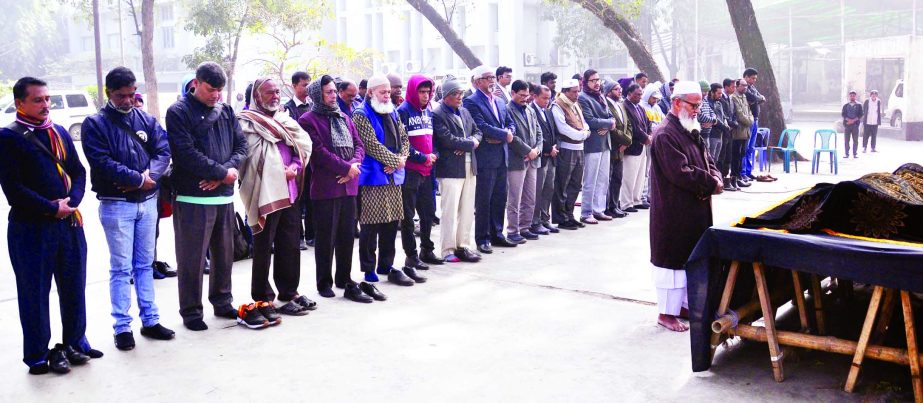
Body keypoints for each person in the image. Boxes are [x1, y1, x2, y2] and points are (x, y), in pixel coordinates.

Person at [0, 76, 102, 375]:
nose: (45, 105)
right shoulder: (9, 138)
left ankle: (75, 342)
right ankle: (37, 354)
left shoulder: (58, 131)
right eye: (38, 100)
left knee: (73, 286)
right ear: (20, 103)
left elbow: (78, 171)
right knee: (34, 293)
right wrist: (50, 208)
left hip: (68, 224)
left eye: (47, 99)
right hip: (31, 230)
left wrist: (72, 201)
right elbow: (13, 188)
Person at [81, 67, 175, 349]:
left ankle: (150, 320)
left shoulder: (146, 119)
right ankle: (122, 327)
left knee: (144, 265)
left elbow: (163, 152)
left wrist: (149, 179)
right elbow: (101, 161)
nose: (128, 100)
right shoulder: (94, 124)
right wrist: (137, 179)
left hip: (148, 203)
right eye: (121, 95)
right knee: (121, 268)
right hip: (116, 205)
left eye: (132, 94)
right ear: (108, 93)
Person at [166, 62, 248, 331]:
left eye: (220, 90)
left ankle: (223, 301)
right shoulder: (178, 112)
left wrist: (227, 172)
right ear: (196, 83)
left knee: (225, 256)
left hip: (224, 196)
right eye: (211, 89)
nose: (216, 96)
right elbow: (184, 153)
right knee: (192, 259)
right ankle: (191, 312)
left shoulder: (226, 111)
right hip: (193, 198)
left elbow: (242, 145)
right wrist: (219, 173)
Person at [237, 77, 316, 327]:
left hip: (290, 190)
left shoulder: (284, 119)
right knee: (263, 248)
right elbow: (249, 157)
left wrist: (293, 166)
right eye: (268, 92)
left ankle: (288, 293)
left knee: (290, 244)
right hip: (266, 193)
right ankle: (262, 299)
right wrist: (278, 171)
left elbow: (302, 145)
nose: (274, 96)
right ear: (257, 96)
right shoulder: (247, 122)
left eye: (276, 92)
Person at [649, 81, 723, 332]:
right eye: (694, 105)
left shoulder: (688, 127)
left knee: (689, 259)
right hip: (674, 210)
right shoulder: (665, 133)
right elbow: (681, 173)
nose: (696, 111)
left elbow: (706, 158)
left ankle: (682, 306)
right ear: (677, 102)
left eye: (699, 105)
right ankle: (666, 314)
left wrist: (716, 177)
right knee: (671, 262)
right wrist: (711, 183)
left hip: (695, 207)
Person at [297, 75, 372, 303]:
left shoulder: (343, 117)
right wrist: (345, 168)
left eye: (333, 91)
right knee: (325, 238)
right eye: (328, 92)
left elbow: (359, 144)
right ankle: (324, 282)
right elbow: (318, 153)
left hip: (349, 186)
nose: (332, 96)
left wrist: (353, 166)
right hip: (326, 188)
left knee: (347, 235)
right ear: (318, 95)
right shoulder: (307, 120)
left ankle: (344, 277)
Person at [353, 74, 419, 289]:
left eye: (388, 92)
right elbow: (370, 144)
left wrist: (401, 160)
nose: (387, 96)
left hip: (393, 175)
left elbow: (405, 138)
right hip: (373, 176)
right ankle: (369, 268)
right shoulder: (361, 114)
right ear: (371, 92)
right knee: (371, 225)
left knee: (392, 224)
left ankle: (386, 265)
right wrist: (395, 161)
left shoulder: (392, 110)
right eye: (383, 92)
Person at [463, 65, 517, 254]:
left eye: (493, 77)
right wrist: (504, 134)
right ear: (478, 82)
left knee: (500, 198)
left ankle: (497, 234)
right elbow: (481, 125)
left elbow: (510, 123)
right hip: (486, 157)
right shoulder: (471, 101)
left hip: (502, 155)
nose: (492, 81)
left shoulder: (500, 101)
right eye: (487, 78)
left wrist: (507, 133)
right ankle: (483, 238)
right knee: (484, 199)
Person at [433, 78, 483, 263]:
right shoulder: (437, 114)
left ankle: (464, 246)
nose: (459, 97)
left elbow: (478, 131)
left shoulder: (464, 111)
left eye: (461, 94)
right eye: (455, 94)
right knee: (450, 211)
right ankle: (447, 249)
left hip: (470, 166)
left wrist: (471, 143)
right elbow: (447, 139)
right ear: (446, 96)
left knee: (468, 209)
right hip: (450, 168)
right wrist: (470, 143)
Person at [397, 74, 443, 269]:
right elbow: (402, 143)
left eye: (428, 92)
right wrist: (422, 157)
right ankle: (411, 255)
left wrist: (434, 154)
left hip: (428, 170)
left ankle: (427, 249)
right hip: (410, 171)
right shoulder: (403, 111)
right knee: (408, 217)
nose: (426, 96)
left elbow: (433, 141)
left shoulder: (429, 112)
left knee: (428, 213)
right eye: (421, 92)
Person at [505, 80, 543, 242]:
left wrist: (536, 150)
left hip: (533, 160)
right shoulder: (507, 110)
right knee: (515, 198)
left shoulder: (530, 110)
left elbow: (539, 133)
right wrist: (528, 151)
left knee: (530, 197)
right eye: (521, 95)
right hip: (517, 160)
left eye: (527, 95)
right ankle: (513, 230)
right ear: (513, 93)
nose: (525, 98)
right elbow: (512, 138)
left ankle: (525, 227)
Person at [551, 78, 591, 230]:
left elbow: (584, 122)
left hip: (579, 148)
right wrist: (582, 135)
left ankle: (569, 214)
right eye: (574, 92)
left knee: (575, 184)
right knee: (563, 184)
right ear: (565, 92)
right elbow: (563, 128)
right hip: (567, 149)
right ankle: (561, 217)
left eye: (578, 91)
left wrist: (585, 131)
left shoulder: (575, 104)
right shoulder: (558, 105)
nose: (577, 94)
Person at [577, 69, 615, 224]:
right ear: (586, 82)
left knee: (603, 179)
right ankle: (586, 212)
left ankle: (598, 210)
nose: (597, 83)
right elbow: (590, 120)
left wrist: (608, 124)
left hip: (605, 142)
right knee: (590, 180)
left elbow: (611, 117)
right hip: (592, 143)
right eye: (593, 80)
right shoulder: (583, 98)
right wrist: (609, 123)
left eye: (598, 79)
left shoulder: (601, 97)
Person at [285, 71, 315, 250]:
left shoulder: (313, 107)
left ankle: (312, 234)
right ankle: (299, 236)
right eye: (304, 85)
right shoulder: (288, 109)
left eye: (309, 85)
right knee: (298, 199)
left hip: (313, 161)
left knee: (312, 198)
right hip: (297, 161)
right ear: (294, 86)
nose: (307, 89)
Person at [529, 84, 559, 234]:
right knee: (537, 191)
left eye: (549, 98)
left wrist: (554, 148)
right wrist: (547, 149)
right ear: (534, 96)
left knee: (548, 189)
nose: (547, 101)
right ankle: (534, 221)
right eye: (544, 98)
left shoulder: (548, 112)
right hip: (540, 157)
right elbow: (535, 135)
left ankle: (545, 219)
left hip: (551, 157)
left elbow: (554, 132)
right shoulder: (530, 110)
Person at [602, 80, 633, 219]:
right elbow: (612, 128)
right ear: (608, 91)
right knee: (608, 179)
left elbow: (629, 124)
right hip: (613, 146)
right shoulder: (605, 105)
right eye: (616, 89)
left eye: (620, 89)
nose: (620, 91)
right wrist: (624, 139)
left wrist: (628, 141)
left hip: (622, 148)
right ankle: (608, 207)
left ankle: (615, 205)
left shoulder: (620, 104)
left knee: (617, 178)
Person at [620, 83, 651, 214]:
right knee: (629, 176)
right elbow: (633, 126)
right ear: (629, 93)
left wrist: (650, 134)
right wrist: (645, 137)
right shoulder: (625, 106)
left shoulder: (640, 107)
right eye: (637, 94)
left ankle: (636, 199)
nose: (640, 97)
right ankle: (626, 203)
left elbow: (647, 122)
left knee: (640, 174)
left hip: (642, 145)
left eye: (641, 94)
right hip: (632, 145)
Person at [741, 68, 765, 181]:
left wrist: (757, 99)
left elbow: (761, 97)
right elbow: (754, 98)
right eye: (752, 78)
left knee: (751, 148)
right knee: (745, 148)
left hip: (755, 120)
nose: (754, 80)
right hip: (748, 121)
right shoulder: (744, 88)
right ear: (746, 77)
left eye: (755, 78)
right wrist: (757, 99)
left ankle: (749, 171)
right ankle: (743, 172)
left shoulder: (752, 87)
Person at [731, 79, 754, 189]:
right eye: (743, 85)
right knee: (736, 155)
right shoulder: (734, 97)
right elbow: (739, 115)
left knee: (742, 155)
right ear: (737, 86)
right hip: (738, 131)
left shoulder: (744, 97)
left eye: (746, 86)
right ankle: (734, 178)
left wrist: (751, 120)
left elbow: (749, 112)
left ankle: (740, 177)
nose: (745, 87)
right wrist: (749, 122)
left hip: (746, 131)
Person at [718, 78, 739, 191]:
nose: (734, 88)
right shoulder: (721, 99)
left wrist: (734, 123)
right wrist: (730, 123)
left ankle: (728, 179)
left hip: (730, 131)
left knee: (729, 156)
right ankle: (721, 180)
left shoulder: (730, 99)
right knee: (722, 156)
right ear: (726, 87)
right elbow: (724, 115)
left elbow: (733, 113)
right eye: (733, 86)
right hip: (723, 130)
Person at [696, 80, 719, 161]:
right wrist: (713, 120)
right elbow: (699, 116)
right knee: (700, 155)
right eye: (703, 91)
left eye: (707, 91)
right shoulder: (696, 102)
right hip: (700, 133)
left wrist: (713, 120)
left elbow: (712, 112)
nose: (705, 93)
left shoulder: (705, 100)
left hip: (707, 133)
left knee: (707, 154)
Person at [842, 90, 863, 159]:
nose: (852, 97)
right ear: (849, 96)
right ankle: (846, 153)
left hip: (855, 125)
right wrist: (848, 120)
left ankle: (855, 153)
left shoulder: (859, 105)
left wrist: (853, 120)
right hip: (847, 125)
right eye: (851, 96)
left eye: (853, 96)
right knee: (846, 140)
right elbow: (843, 114)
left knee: (855, 140)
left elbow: (860, 114)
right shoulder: (846, 105)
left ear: (855, 96)